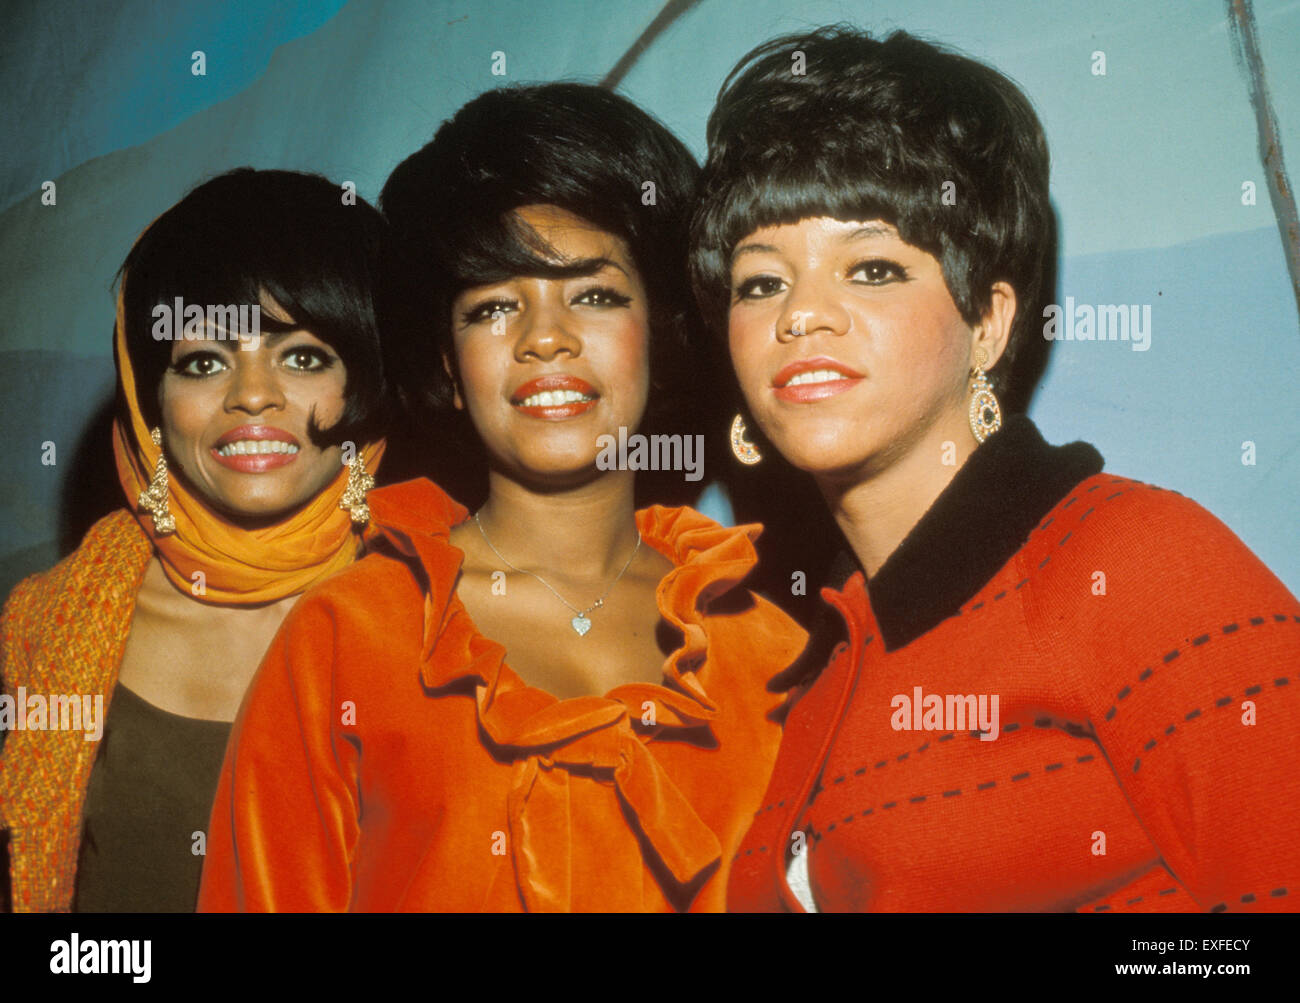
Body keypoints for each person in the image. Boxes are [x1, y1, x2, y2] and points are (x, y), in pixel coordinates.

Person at [689, 26, 1300, 912]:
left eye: (870, 267)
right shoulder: (823, 659)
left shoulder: (1135, 566)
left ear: (989, 322)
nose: (802, 316)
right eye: (760, 282)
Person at [196, 83, 807, 913]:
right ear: (447, 365)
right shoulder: (349, 638)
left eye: (593, 294)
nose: (544, 337)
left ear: (659, 331)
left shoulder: (769, 652)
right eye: (492, 306)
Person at [0, 168, 388, 912]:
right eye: (204, 361)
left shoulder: (449, 613)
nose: (250, 395)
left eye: (303, 356)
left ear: (367, 380)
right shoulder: (49, 621)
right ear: (151, 402)